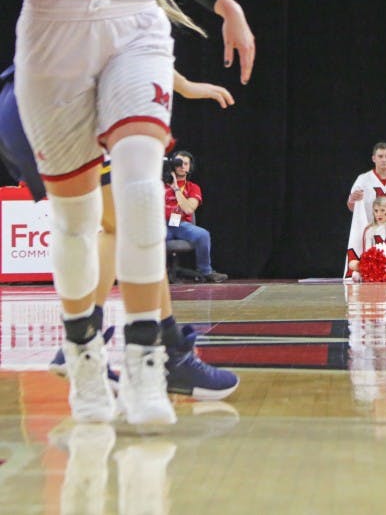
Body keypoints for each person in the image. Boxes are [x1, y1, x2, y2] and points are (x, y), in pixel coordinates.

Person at [0, 0, 254, 425]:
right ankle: (84, 359)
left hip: (137, 27)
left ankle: (148, 361)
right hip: (55, 38)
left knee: (140, 192)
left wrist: (224, 3)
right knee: (81, 222)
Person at [0, 62, 240, 400]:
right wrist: (184, 84)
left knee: (109, 228)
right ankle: (165, 353)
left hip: (21, 102)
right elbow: (137, 43)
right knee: (136, 226)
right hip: (69, 103)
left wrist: (183, 84)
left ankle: (81, 343)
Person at [164, 150, 227, 283]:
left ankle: (206, 272)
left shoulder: (193, 187)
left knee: (203, 235)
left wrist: (176, 189)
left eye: (185, 164)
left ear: (190, 167)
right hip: (162, 225)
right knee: (152, 238)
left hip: (181, 225)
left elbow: (188, 209)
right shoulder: (160, 186)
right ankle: (157, 274)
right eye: (178, 163)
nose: (182, 166)